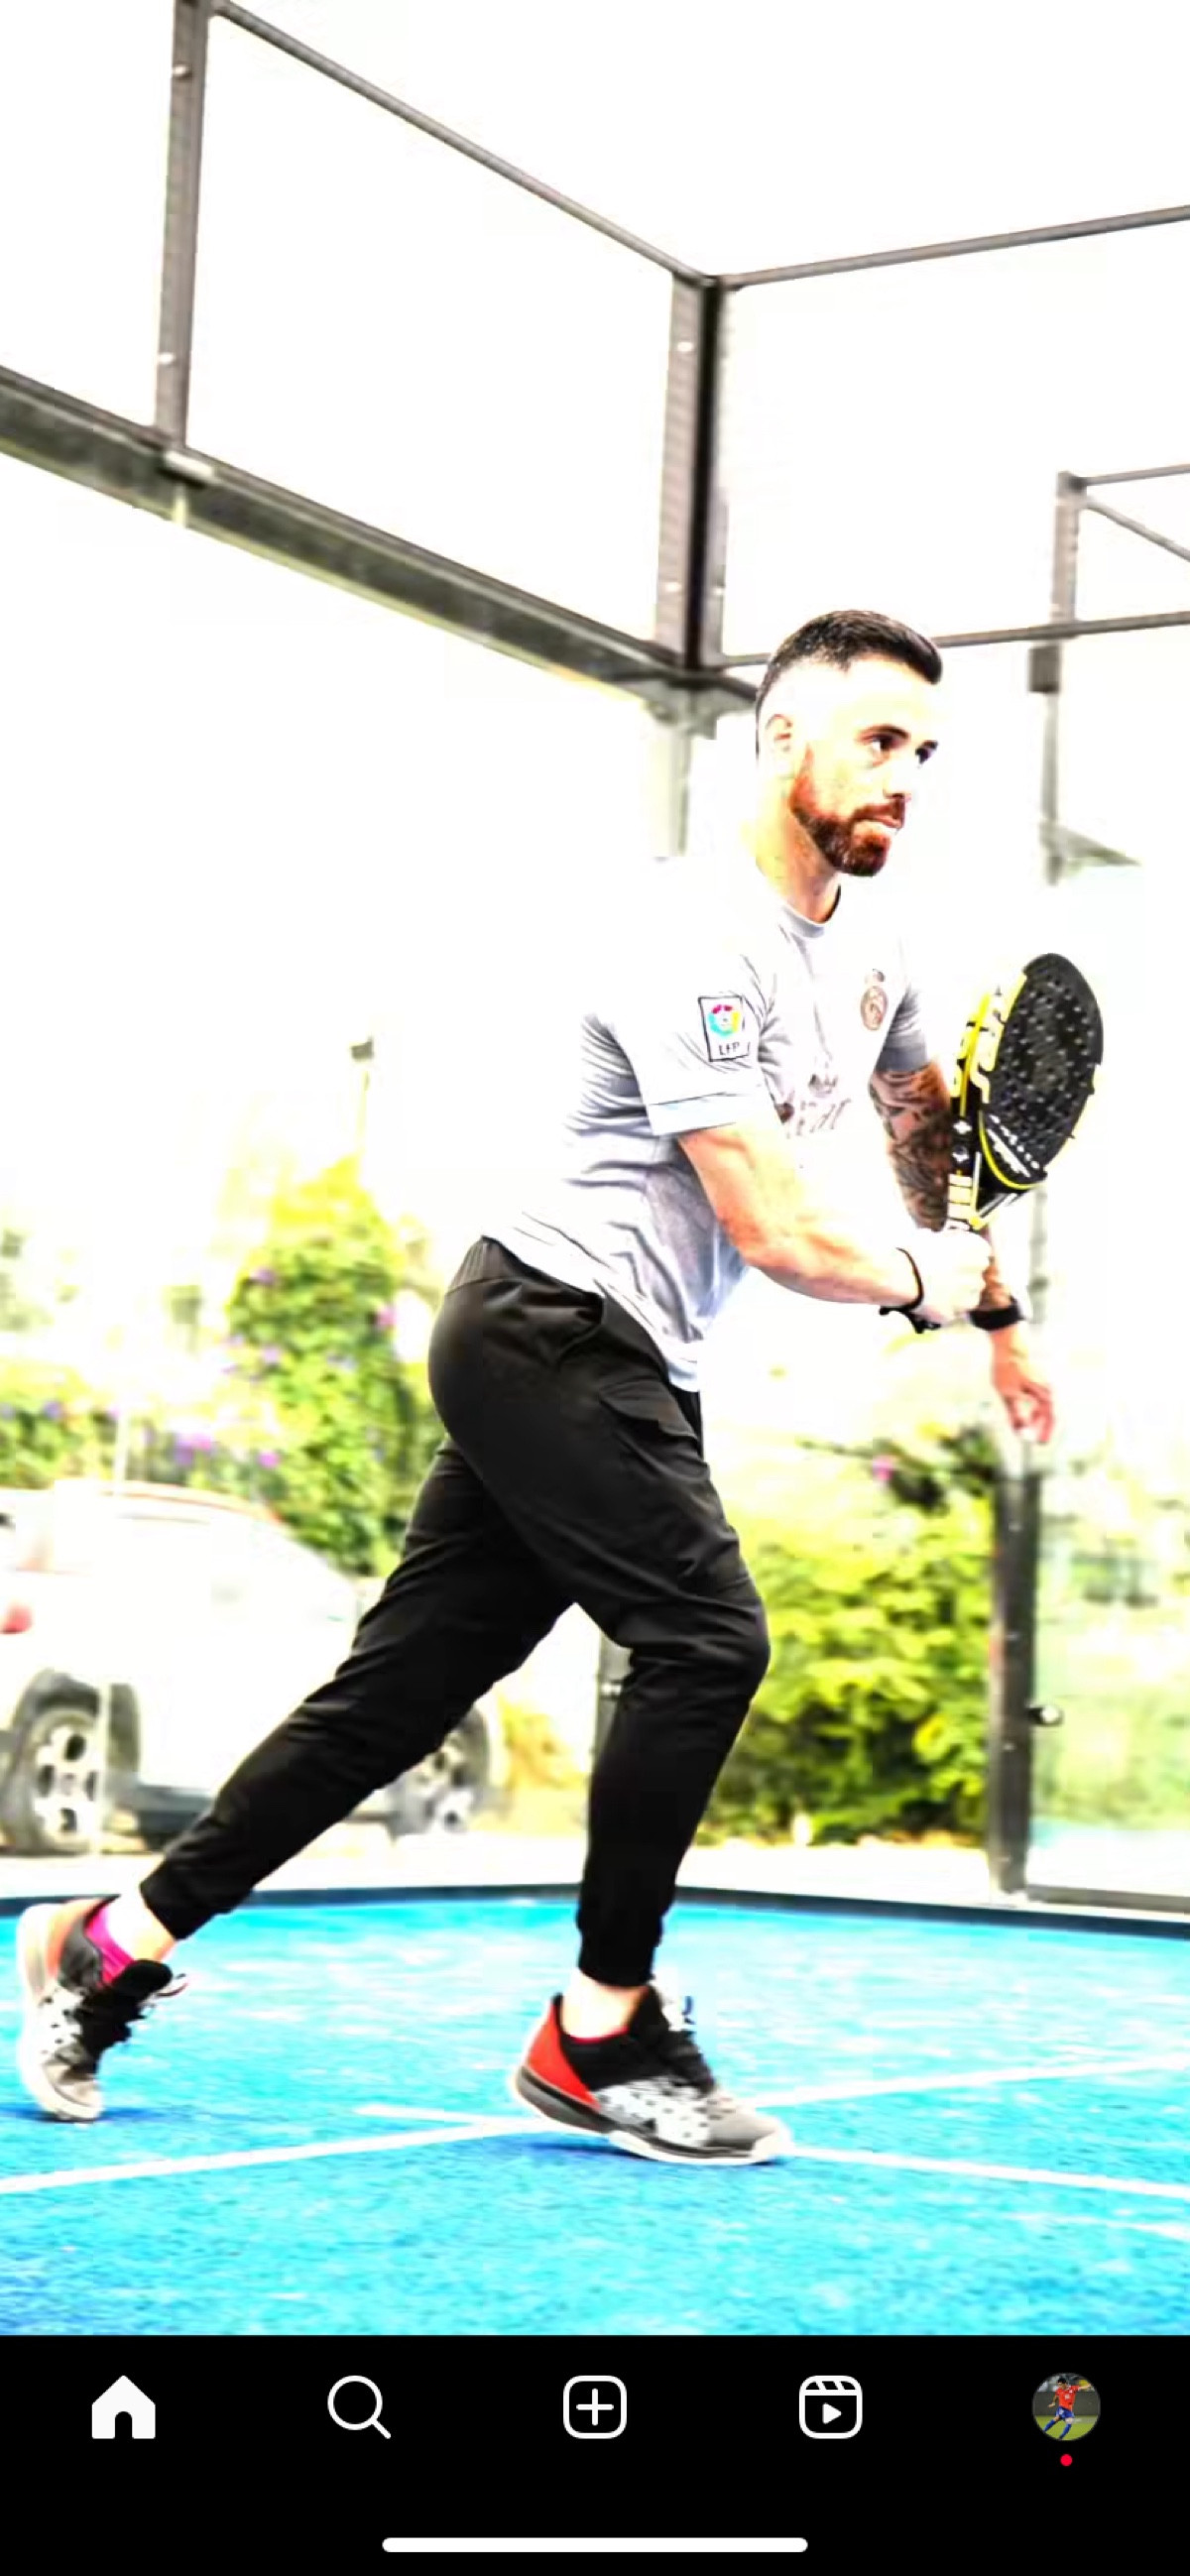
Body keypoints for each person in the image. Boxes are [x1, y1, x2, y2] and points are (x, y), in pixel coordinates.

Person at [15, 608, 1053, 2167]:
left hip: (628, 1354)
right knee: (707, 1636)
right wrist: (926, 1281)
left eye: (922, 748)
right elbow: (773, 1227)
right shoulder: (688, 937)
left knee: (397, 1696)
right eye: (877, 739)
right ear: (782, 738)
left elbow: (918, 1115)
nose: (905, 773)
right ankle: (599, 2029)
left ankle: (110, 1945)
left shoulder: (877, 945)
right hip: (545, 1325)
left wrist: (994, 1302)